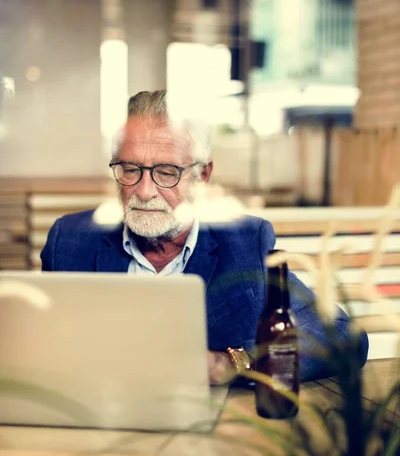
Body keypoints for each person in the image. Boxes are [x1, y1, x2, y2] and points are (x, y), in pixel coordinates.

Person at [41, 90, 368, 384]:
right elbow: (37, 348)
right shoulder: (69, 242)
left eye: (166, 173)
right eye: (130, 169)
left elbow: (342, 336)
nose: (143, 190)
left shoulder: (245, 244)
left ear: (203, 176)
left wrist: (233, 363)